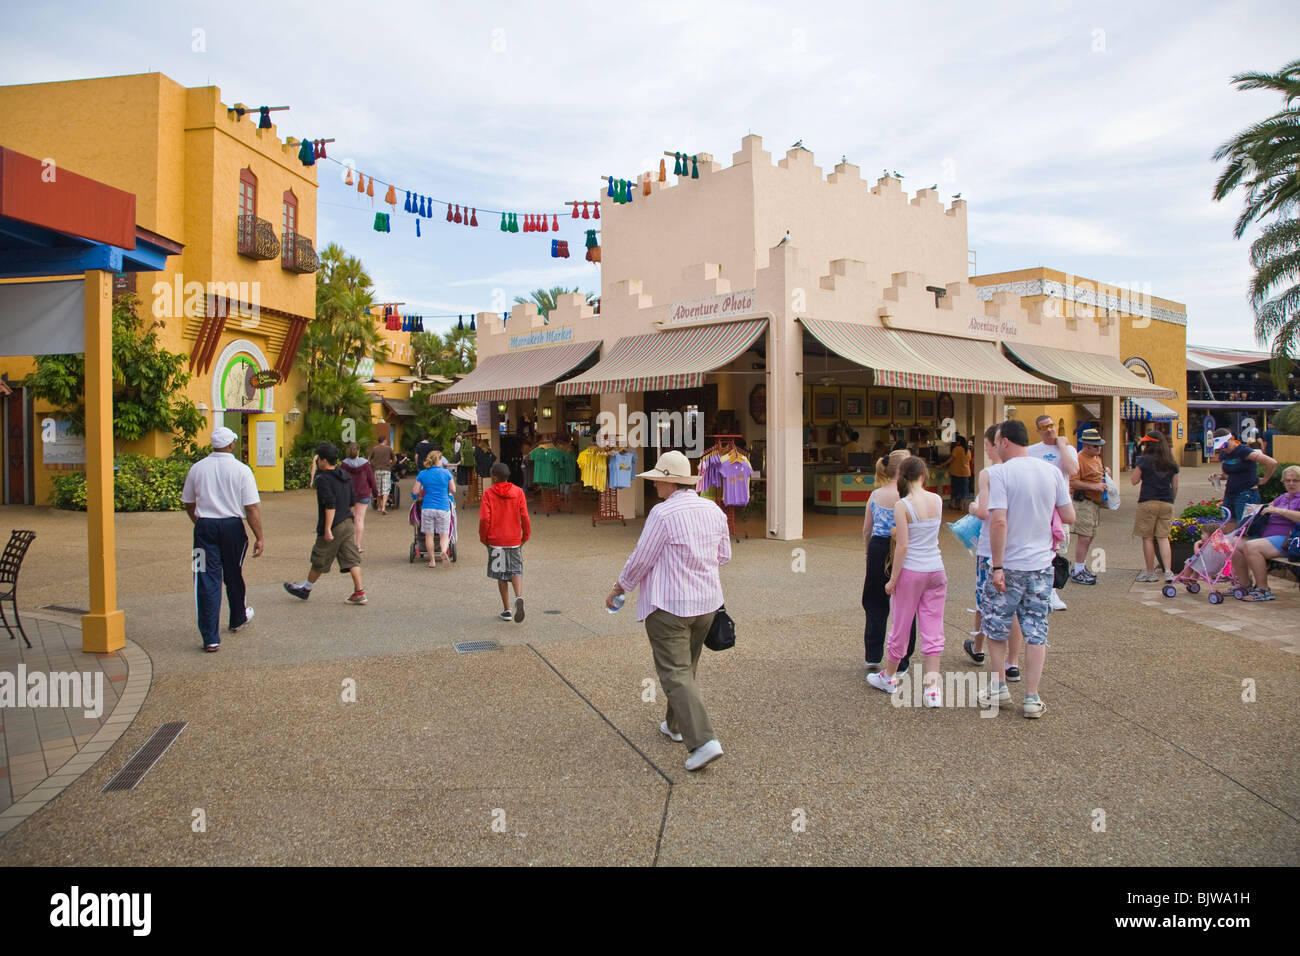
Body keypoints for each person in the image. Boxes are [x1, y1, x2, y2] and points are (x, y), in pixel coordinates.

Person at [606, 450, 730, 772]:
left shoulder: (662, 514)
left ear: (668, 481)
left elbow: (641, 558)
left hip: (669, 605)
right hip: (707, 604)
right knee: (686, 668)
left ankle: (703, 741)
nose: (655, 486)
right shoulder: (713, 510)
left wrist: (619, 588)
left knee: (675, 673)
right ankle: (675, 726)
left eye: (658, 480)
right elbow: (723, 555)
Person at [977, 420, 1075, 719]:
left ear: (1004, 441)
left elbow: (999, 521)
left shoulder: (1001, 474)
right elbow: (1069, 515)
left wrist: (996, 565)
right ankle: (1032, 697)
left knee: (996, 626)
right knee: (1036, 630)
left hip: (1009, 564)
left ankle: (999, 688)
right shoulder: (1052, 472)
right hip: (1041, 564)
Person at [867, 457, 947, 705]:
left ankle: (889, 676)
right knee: (933, 626)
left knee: (901, 624)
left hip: (912, 571)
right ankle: (932, 688)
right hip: (936, 568)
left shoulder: (903, 505)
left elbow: (902, 546)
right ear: (924, 476)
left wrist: (893, 579)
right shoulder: (937, 500)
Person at [181, 426, 263, 652]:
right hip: (233, 527)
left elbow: (189, 502)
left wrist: (198, 522)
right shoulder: (242, 469)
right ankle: (237, 617)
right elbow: (251, 507)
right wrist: (259, 537)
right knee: (233, 572)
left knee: (206, 578)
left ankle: (210, 637)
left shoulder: (197, 468)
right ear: (231, 445)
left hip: (205, 527)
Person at [964, 425, 1024, 682]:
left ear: (995, 445)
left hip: (991, 549)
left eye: (988, 444)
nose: (988, 449)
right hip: (1019, 548)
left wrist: (973, 505)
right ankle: (1013, 662)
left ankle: (979, 649)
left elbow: (985, 512)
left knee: (986, 602)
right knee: (1016, 608)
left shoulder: (988, 474)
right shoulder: (1024, 471)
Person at [284, 442, 366, 604]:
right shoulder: (345, 475)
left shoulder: (323, 479)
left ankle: (305, 589)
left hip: (333, 524)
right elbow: (351, 503)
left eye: (318, 459)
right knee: (351, 558)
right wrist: (351, 520)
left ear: (323, 460)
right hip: (347, 522)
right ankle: (359, 591)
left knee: (319, 558)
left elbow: (330, 504)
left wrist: (327, 529)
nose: (317, 462)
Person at [861, 450, 916, 675]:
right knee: (905, 605)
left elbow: (866, 529)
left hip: (877, 547)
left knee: (874, 602)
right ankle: (902, 660)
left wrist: (868, 553)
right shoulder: (909, 496)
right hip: (903, 549)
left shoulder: (875, 495)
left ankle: (872, 655)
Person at [1027, 414, 1079, 610]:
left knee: (1058, 549)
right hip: (1037, 508)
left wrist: (1063, 446)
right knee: (1039, 548)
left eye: (1051, 425)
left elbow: (1072, 470)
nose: (1049, 429)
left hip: (1059, 507)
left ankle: (1053, 590)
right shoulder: (1031, 451)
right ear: (1038, 431)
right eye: (1044, 427)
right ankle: (1041, 589)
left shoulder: (1069, 450)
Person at [1230, 465, 1300, 601]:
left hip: (1289, 540)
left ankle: (1263, 590)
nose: (1291, 483)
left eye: (1295, 480)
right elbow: (1267, 507)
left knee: (1252, 547)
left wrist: (1279, 511)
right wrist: (1256, 509)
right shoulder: (1284, 497)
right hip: (1268, 536)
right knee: (1235, 542)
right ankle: (1245, 585)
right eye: (1287, 480)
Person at [480, 461, 532, 621]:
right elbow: (524, 516)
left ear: (494, 477)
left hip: (496, 540)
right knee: (516, 570)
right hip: (514, 539)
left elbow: (484, 518)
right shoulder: (518, 492)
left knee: (501, 575)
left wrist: (484, 538)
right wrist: (525, 535)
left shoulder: (488, 494)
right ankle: (518, 597)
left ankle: (507, 609)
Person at [1131, 431, 1180, 583]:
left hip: (1147, 502)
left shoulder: (1144, 460)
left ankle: (1150, 573)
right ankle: (1168, 572)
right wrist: (1171, 500)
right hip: (1167, 502)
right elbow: (1176, 486)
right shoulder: (1171, 462)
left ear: (1149, 444)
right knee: (1163, 537)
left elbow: (1134, 480)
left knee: (1148, 538)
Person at [1212, 428, 1278, 530]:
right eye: (1220, 447)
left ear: (1231, 439)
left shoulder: (1244, 451)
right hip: (1230, 493)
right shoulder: (1224, 454)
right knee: (1229, 527)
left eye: (1225, 445)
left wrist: (1264, 479)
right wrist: (1218, 477)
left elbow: (1271, 462)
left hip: (1246, 493)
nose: (1224, 449)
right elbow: (1227, 474)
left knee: (1244, 528)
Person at [1068, 428, 1108, 585]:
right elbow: (1073, 482)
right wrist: (1094, 487)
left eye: (1099, 445)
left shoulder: (1096, 458)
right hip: (1083, 502)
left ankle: (1081, 566)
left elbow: (1095, 474)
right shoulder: (1078, 459)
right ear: (1086, 445)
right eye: (1095, 446)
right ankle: (1078, 569)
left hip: (1094, 503)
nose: (1099, 448)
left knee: (1090, 535)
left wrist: (1105, 474)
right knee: (1084, 536)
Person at [413, 450, 456, 568]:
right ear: (438, 460)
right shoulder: (446, 473)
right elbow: (453, 489)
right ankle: (443, 550)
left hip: (427, 508)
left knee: (429, 535)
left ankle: (432, 561)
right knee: (444, 534)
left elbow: (415, 491)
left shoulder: (422, 474)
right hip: (443, 507)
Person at [339, 442, 378, 553]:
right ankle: (358, 546)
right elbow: (371, 479)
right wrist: (375, 494)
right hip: (363, 494)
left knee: (350, 519)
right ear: (358, 451)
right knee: (359, 519)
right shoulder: (365, 464)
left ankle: (347, 544)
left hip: (348, 495)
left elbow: (340, 479)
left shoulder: (344, 465)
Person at [940, 434, 972, 512]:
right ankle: (961, 505)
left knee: (955, 489)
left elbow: (951, 459)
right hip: (966, 472)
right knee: (964, 490)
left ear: (959, 442)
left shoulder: (957, 449)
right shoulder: (968, 450)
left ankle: (952, 504)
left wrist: (943, 464)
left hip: (956, 472)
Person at [368, 435, 395, 515]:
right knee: (385, 489)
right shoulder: (388, 448)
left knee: (378, 489)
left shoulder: (375, 449)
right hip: (386, 470)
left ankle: (379, 507)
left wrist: (373, 466)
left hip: (377, 470)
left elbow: (369, 459)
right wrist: (391, 465)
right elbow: (395, 459)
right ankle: (383, 507)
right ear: (384, 441)